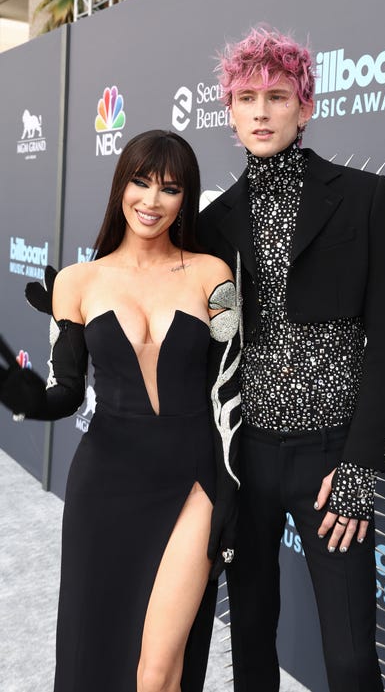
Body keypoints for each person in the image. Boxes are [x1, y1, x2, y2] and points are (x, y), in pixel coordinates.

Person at [198, 27, 385, 692]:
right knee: (251, 646)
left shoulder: (363, 197)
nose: (261, 111)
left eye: (277, 95)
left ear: (305, 107)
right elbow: (207, 351)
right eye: (246, 97)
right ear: (229, 112)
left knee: (350, 660)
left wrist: (359, 468)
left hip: (331, 459)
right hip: (247, 458)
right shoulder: (213, 221)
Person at [0, 130, 241, 692]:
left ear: (186, 199)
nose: (152, 201)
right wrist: (19, 393)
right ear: (120, 186)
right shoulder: (78, 283)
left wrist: (231, 484)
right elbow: (63, 391)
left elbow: (230, 386)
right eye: (140, 182)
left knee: (158, 672)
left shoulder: (213, 276)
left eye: (170, 188)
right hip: (105, 485)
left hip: (194, 482)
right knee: (100, 657)